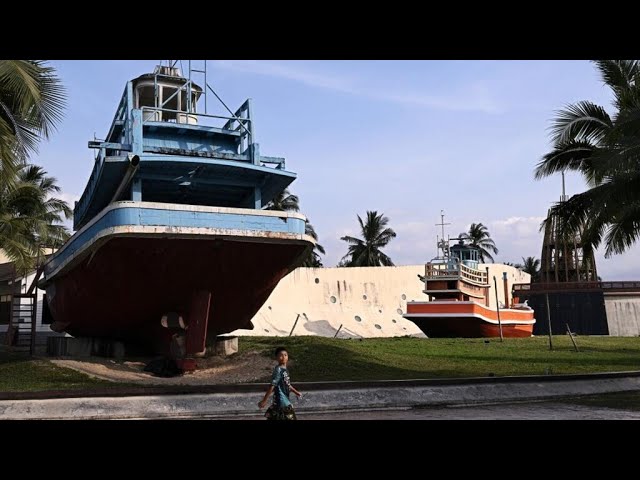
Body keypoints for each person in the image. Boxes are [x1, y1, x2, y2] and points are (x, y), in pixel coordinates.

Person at [258, 346, 302, 420]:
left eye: (285, 355)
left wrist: (296, 392)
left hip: (282, 401)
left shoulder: (285, 370)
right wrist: (264, 400)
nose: (284, 357)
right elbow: (272, 385)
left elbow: (287, 384)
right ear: (277, 358)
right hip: (282, 401)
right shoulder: (278, 370)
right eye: (281, 355)